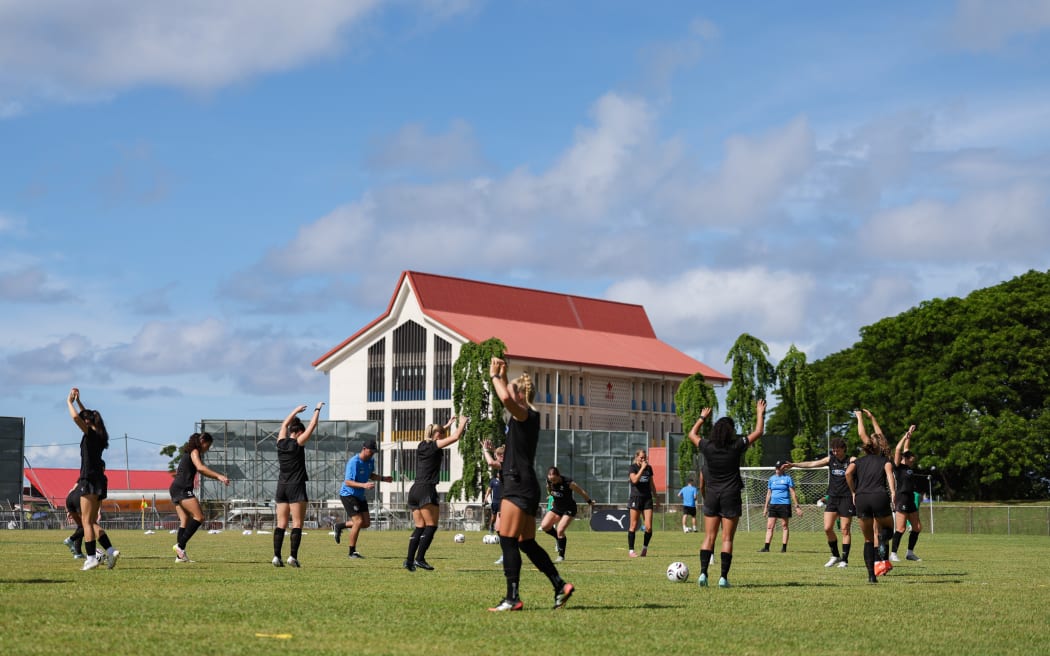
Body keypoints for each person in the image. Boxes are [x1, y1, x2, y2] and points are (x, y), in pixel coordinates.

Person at [487, 357, 574, 612]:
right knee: (526, 542)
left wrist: (494, 377)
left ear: (522, 395)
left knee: (507, 538)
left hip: (516, 482)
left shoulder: (525, 414)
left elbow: (505, 399)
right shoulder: (526, 415)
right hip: (525, 482)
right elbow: (508, 396)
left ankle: (512, 598)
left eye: (515, 391)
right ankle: (560, 586)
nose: (510, 395)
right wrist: (502, 374)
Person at [687, 400, 766, 588]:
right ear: (731, 431)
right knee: (727, 539)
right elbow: (758, 432)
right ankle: (723, 577)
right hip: (731, 495)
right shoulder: (736, 446)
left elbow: (692, 434)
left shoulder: (707, 446)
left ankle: (703, 574)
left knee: (709, 537)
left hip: (712, 496)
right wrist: (760, 412)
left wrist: (701, 418)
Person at [403, 415, 469, 571]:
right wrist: (462, 423)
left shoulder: (422, 445)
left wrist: (447, 425)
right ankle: (420, 559)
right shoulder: (434, 446)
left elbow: (436, 434)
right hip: (427, 489)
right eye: (442, 434)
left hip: (415, 490)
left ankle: (409, 561)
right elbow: (456, 437)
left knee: (420, 527)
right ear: (437, 435)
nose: (444, 436)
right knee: (431, 526)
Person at [67, 387, 120, 571]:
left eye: (85, 419)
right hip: (100, 481)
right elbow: (85, 415)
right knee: (92, 522)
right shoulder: (100, 432)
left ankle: (91, 558)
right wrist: (79, 401)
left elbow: (76, 417)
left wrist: (69, 402)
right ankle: (111, 551)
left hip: (88, 480)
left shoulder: (89, 433)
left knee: (87, 522)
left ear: (87, 421)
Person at [785, 437, 857, 568]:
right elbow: (812, 464)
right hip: (832, 498)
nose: (835, 453)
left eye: (838, 451)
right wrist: (795, 465)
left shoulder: (851, 460)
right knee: (827, 528)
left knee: (845, 529)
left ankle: (844, 560)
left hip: (846, 498)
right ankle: (835, 555)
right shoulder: (830, 459)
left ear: (844, 449)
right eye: (833, 451)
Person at [272, 403, 323, 568]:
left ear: (290, 431)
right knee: (297, 523)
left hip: (282, 485)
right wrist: (317, 409)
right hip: (296, 486)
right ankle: (292, 557)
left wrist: (295, 410)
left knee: (281, 523)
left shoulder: (280, 442)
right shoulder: (298, 443)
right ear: (299, 432)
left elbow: (283, 425)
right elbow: (313, 425)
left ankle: (276, 556)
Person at [846, 424, 897, 584]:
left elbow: (848, 473)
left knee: (868, 540)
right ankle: (882, 539)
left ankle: (871, 576)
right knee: (889, 529)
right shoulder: (885, 461)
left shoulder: (858, 461)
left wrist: (853, 492)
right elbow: (890, 477)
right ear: (879, 447)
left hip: (862, 498)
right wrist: (893, 494)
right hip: (879, 496)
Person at [170, 432, 230, 563]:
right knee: (199, 517)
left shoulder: (189, 451)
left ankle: (180, 557)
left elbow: (200, 470)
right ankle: (179, 546)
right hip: (182, 488)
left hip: (175, 487)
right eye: (208, 446)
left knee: (184, 520)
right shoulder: (194, 451)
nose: (207, 449)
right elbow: (200, 468)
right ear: (202, 441)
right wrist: (219, 476)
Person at [334, 439, 392, 558]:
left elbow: (370, 474)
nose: (372, 454)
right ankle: (352, 552)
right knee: (358, 521)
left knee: (366, 523)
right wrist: (364, 485)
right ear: (364, 449)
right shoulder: (354, 462)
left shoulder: (370, 461)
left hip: (360, 495)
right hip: (348, 494)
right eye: (371, 451)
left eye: (374, 452)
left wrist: (383, 478)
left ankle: (339, 526)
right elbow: (348, 482)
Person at [540, 466, 596, 562]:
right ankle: (558, 539)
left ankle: (561, 556)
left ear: (558, 476)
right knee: (544, 526)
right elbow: (549, 488)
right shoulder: (549, 481)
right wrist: (550, 495)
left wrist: (589, 502)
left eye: (554, 480)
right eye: (550, 480)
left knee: (560, 530)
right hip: (557, 508)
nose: (552, 482)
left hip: (569, 509)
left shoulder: (568, 483)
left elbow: (581, 492)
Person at [890, 425, 922, 562]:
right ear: (906, 458)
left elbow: (906, 448)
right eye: (911, 459)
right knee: (901, 528)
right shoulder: (898, 466)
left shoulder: (908, 466)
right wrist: (904, 436)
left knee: (917, 527)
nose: (913, 462)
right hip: (901, 498)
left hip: (910, 498)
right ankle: (893, 553)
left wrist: (910, 433)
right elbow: (899, 449)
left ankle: (910, 553)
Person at [759, 461, 803, 553]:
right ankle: (766, 547)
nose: (777, 470)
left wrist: (797, 507)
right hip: (773, 505)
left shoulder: (787, 479)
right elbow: (768, 493)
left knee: (784, 526)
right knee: (770, 526)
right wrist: (765, 507)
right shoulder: (771, 479)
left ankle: (784, 548)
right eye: (776, 468)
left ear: (783, 468)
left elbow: (793, 493)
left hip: (784, 504)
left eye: (779, 468)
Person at [626, 449, 655, 558]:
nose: (643, 459)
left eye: (645, 457)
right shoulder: (632, 468)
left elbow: (651, 484)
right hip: (636, 498)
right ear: (637, 457)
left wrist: (656, 496)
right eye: (641, 457)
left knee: (648, 527)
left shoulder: (649, 468)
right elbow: (634, 480)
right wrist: (642, 468)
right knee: (633, 525)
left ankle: (644, 548)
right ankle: (631, 551)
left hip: (647, 498)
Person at [483, 441, 505, 564]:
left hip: (508, 500)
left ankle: (507, 554)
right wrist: (493, 450)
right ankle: (507, 553)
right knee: (498, 528)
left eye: (497, 455)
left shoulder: (506, 463)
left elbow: (491, 462)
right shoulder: (507, 461)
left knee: (501, 528)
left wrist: (485, 450)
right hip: (503, 500)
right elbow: (496, 458)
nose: (495, 457)